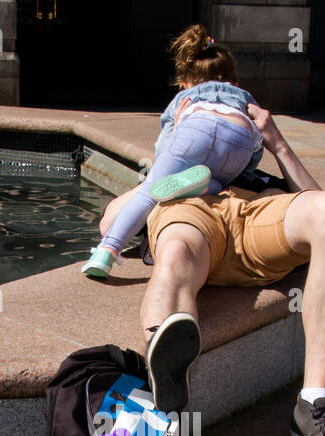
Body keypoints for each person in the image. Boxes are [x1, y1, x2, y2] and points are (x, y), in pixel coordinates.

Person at [102, 55, 325, 436]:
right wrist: (167, 165)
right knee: (173, 252)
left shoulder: (253, 155)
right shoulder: (170, 167)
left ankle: (314, 404)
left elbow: (313, 200)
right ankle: (165, 401)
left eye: (226, 84)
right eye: (204, 87)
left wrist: (276, 142)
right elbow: (109, 224)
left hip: (253, 217)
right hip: (191, 218)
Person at [81, 25, 264, 282]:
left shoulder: (187, 98)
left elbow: (164, 147)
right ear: (234, 81)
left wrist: (176, 134)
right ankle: (202, 186)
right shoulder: (244, 97)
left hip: (194, 128)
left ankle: (106, 252)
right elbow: (257, 144)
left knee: (150, 191)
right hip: (240, 140)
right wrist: (246, 166)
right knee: (219, 179)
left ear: (185, 83)